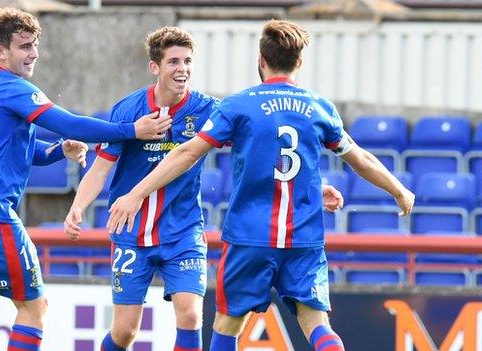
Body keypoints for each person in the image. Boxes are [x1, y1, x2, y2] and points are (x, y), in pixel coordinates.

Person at [106, 19, 415, 351]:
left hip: (250, 237)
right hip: (304, 239)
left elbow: (187, 153)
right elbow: (359, 159)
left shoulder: (239, 105)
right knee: (317, 324)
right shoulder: (318, 107)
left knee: (228, 324)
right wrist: (398, 189)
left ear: (261, 61)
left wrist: (136, 192)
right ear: (299, 62)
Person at [64, 26, 346, 351]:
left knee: (190, 315)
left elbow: (264, 149)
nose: (182, 69)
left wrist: (312, 186)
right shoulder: (129, 111)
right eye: (173, 62)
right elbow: (101, 167)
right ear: (155, 67)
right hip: (131, 233)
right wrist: (78, 206)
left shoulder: (208, 110)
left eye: (187, 61)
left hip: (183, 232)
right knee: (125, 331)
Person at [0, 7, 172, 351]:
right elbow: (69, 122)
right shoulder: (12, 88)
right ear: (0, 52)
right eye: (24, 46)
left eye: (35, 46)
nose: (34, 54)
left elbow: (21, 152)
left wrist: (60, 151)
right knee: (34, 308)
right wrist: (131, 130)